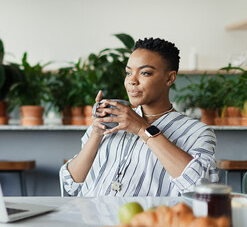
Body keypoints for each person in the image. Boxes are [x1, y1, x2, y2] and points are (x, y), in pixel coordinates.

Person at [60, 38, 218, 197]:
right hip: (89, 219)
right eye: (128, 72)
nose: (132, 81)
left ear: (169, 78)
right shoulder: (110, 122)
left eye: (145, 73)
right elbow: (71, 185)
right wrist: (96, 133)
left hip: (145, 220)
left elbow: (201, 188)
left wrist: (143, 129)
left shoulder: (197, 132)